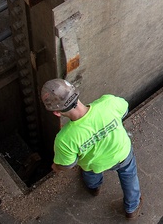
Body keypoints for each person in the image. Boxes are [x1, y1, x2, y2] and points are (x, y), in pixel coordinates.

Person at [41, 79, 142, 219]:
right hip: (122, 153)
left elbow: (68, 164)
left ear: (56, 113)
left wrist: (56, 166)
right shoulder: (108, 102)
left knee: (89, 172)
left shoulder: (64, 139)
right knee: (129, 177)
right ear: (76, 93)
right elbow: (124, 110)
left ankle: (94, 188)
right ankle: (131, 208)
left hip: (94, 164)